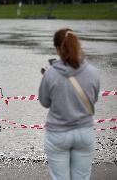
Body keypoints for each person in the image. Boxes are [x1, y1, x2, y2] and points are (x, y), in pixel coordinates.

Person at [39, 28, 100, 180]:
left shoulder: (50, 73)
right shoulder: (92, 72)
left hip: (58, 133)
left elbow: (44, 102)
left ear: (58, 49)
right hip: (84, 132)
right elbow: (93, 99)